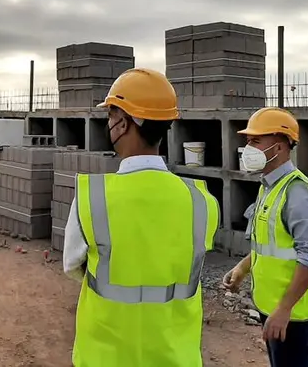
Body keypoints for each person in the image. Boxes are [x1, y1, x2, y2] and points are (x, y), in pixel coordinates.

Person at [63, 68, 220, 366]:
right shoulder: (202, 200)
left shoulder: (92, 196)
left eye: (111, 115)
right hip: (175, 356)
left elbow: (73, 266)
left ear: (123, 122)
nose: (109, 123)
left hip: (105, 356)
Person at [223, 107, 308, 366]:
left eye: (255, 141)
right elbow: (269, 245)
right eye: (247, 141)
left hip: (294, 315)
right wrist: (243, 268)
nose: (248, 148)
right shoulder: (269, 187)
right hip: (276, 310)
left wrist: (284, 310)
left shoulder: (297, 193)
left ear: (280, 145)